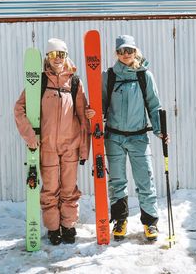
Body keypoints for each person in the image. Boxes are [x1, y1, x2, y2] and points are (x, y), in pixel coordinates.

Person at [86, 35, 169, 241]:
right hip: (113, 136)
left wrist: (160, 130)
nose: (126, 55)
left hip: (138, 137)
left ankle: (150, 223)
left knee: (145, 180)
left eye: (129, 51)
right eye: (122, 51)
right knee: (117, 182)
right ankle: (120, 221)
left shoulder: (144, 75)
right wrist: (92, 114)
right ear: (116, 53)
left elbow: (154, 105)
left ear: (135, 51)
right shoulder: (109, 76)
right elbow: (100, 105)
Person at [15, 38, 90, 245]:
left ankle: (68, 226)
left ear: (66, 56)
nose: (58, 59)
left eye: (61, 54)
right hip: (46, 146)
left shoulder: (74, 82)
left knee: (69, 189)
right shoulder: (37, 82)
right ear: (47, 57)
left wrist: (84, 149)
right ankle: (53, 228)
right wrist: (30, 136)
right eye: (53, 54)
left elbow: (83, 116)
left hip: (70, 146)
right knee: (49, 190)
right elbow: (19, 109)